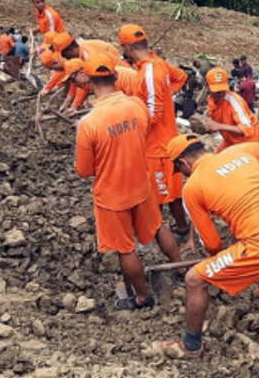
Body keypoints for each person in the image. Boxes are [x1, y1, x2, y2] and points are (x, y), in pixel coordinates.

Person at [154, 134, 259, 372]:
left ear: (183, 162)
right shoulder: (240, 156)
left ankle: (190, 346)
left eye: (179, 170)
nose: (182, 174)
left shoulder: (193, 186)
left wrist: (218, 260)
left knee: (194, 279)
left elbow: (212, 243)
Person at [75, 54, 181, 310]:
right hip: (142, 184)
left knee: (125, 248)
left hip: (112, 196)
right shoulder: (136, 105)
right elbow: (142, 135)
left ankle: (142, 297)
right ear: (115, 76)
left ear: (88, 81)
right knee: (158, 226)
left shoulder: (89, 123)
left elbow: (84, 171)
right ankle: (179, 268)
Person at [118, 24, 192, 242]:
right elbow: (181, 77)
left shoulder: (150, 71)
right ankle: (177, 228)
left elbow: (153, 114)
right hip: (165, 140)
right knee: (170, 191)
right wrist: (166, 95)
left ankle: (159, 233)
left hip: (157, 146)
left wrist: (129, 127)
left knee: (159, 195)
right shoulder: (157, 63)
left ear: (128, 48)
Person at [204, 68, 259, 151]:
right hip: (232, 142)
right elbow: (215, 120)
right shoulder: (211, 101)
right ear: (207, 86)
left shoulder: (234, 102)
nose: (220, 93)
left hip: (251, 143)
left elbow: (247, 129)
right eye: (216, 90)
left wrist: (219, 126)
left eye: (222, 89)